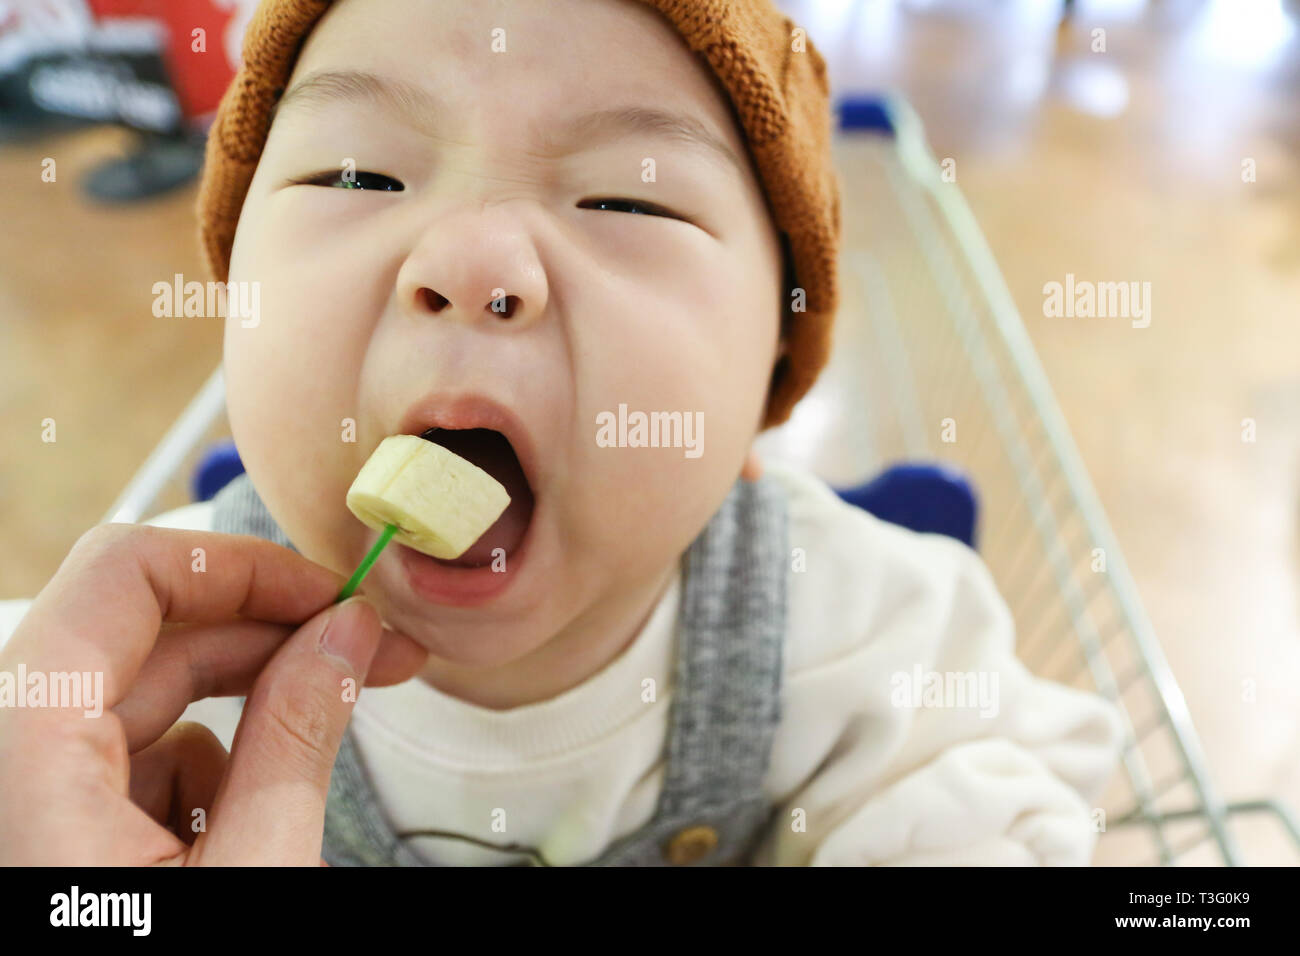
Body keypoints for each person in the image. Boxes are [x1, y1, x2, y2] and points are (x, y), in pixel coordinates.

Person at [0, 0, 1123, 866]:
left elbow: (1007, 772)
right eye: (358, 172)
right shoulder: (131, 677)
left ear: (759, 399)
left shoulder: (849, 624)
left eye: (626, 200)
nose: (471, 262)